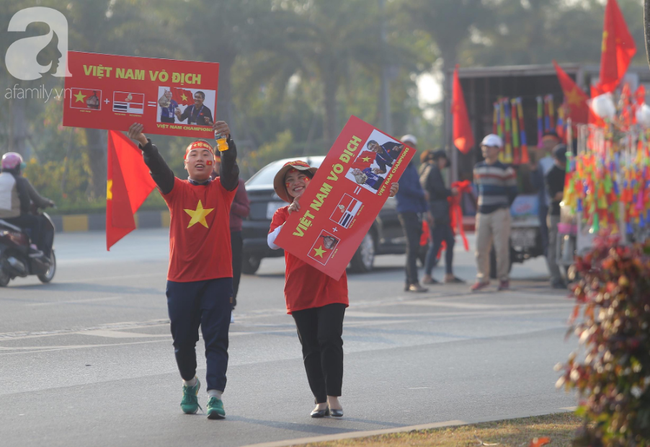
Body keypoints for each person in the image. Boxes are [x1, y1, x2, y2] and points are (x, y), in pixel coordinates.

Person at [267, 160, 399, 418]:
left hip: (331, 283)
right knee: (310, 346)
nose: (295, 184)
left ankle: (333, 397)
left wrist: (386, 191)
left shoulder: (333, 207)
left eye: (301, 178)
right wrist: (293, 216)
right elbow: (272, 242)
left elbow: (362, 208)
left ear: (314, 182)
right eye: (289, 181)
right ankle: (319, 400)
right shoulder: (283, 213)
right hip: (299, 288)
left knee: (329, 339)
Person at [127, 120, 238, 420]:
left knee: (217, 340)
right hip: (181, 281)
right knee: (183, 342)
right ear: (186, 164)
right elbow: (159, 169)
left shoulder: (223, 189)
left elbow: (231, 168)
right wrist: (145, 144)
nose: (201, 158)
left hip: (218, 279)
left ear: (213, 164)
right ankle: (190, 383)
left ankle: (215, 397)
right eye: (194, 155)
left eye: (207, 155)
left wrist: (224, 141)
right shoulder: (174, 190)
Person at [471, 134, 518, 292]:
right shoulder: (477, 167)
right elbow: (477, 189)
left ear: (498, 149)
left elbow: (513, 191)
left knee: (501, 248)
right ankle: (482, 278)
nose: (486, 149)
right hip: (482, 213)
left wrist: (503, 206)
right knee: (480, 248)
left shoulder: (506, 170)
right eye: (484, 146)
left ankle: (503, 278)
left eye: (489, 146)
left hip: (499, 212)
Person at [211, 153, 250, 320]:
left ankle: (230, 306)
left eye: (223, 163)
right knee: (212, 271)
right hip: (212, 234)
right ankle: (211, 306)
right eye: (217, 163)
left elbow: (245, 210)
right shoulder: (207, 182)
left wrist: (229, 201)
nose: (219, 167)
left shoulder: (238, 184)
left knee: (233, 272)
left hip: (233, 233)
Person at [421, 149, 464, 285]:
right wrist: (451, 192)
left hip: (437, 212)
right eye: (444, 160)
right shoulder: (433, 170)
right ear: (440, 159)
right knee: (436, 244)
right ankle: (427, 275)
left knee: (449, 242)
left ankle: (449, 274)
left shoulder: (425, 168)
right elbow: (438, 190)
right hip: (437, 213)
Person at [0, 152, 54, 257]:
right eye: (20, 167)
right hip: (12, 217)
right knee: (36, 222)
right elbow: (38, 200)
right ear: (16, 168)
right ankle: (33, 247)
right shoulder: (20, 181)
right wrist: (48, 203)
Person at [396, 134, 431, 293]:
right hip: (406, 209)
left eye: (411, 145)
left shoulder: (412, 167)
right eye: (406, 145)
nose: (408, 148)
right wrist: (421, 194)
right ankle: (413, 281)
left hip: (415, 210)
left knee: (415, 247)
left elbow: (417, 187)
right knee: (413, 247)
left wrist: (426, 210)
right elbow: (404, 188)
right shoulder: (398, 166)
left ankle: (408, 281)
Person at [531, 131, 560, 257]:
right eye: (545, 143)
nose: (547, 145)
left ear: (556, 142)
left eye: (549, 142)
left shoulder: (566, 159)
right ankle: (553, 270)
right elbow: (536, 184)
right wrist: (533, 171)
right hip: (546, 205)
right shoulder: (542, 162)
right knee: (547, 237)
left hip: (562, 205)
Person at [544, 144, 567, 289]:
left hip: (570, 214)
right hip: (556, 214)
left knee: (569, 246)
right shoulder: (551, 173)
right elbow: (555, 195)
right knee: (554, 245)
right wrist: (571, 193)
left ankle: (571, 274)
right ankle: (555, 276)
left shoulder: (571, 170)